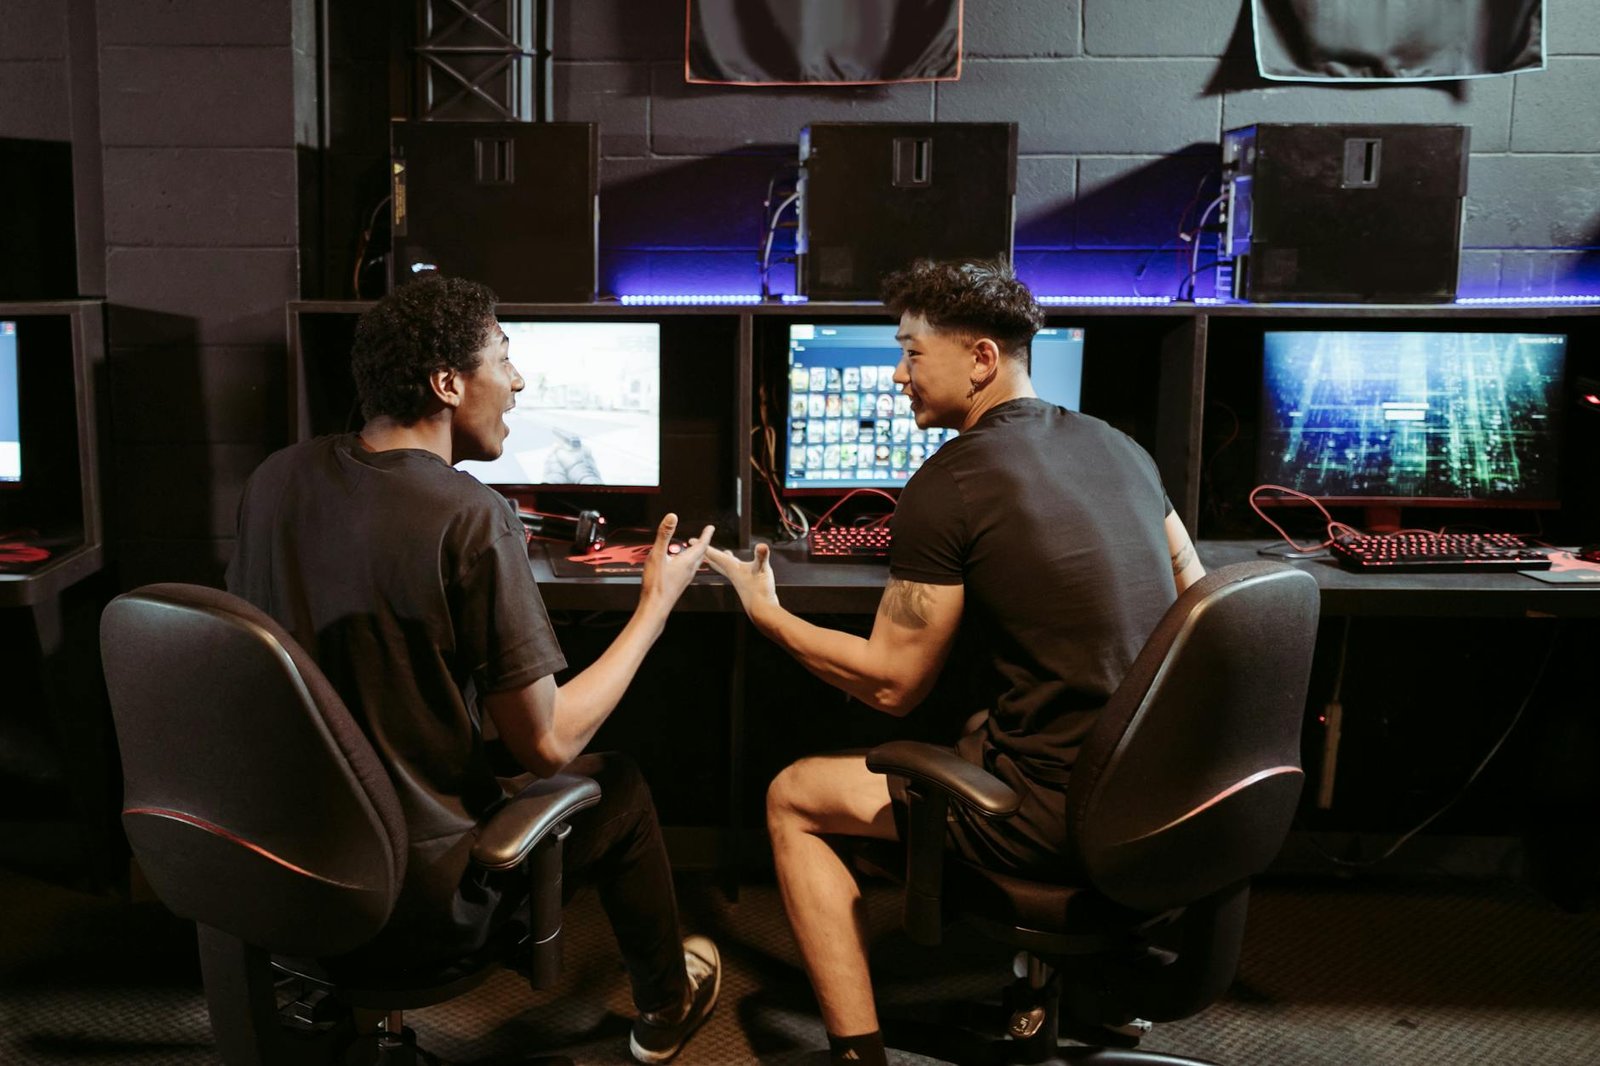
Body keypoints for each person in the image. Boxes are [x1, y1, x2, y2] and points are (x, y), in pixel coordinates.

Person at [704, 258, 1206, 1066]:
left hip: (1054, 815)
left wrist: (769, 614)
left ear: (980, 359)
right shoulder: (1120, 448)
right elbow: (1200, 603)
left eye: (910, 353)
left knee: (792, 795)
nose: (897, 375)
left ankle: (857, 1054)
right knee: (972, 720)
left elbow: (893, 684)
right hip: (1165, 794)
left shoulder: (953, 480)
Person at [226, 276, 719, 1064]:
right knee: (616, 784)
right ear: (449, 384)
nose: (518, 382)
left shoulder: (275, 481)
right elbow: (548, 746)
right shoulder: (468, 516)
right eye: (505, 359)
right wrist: (653, 606)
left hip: (285, 882)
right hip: (421, 910)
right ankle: (668, 1008)